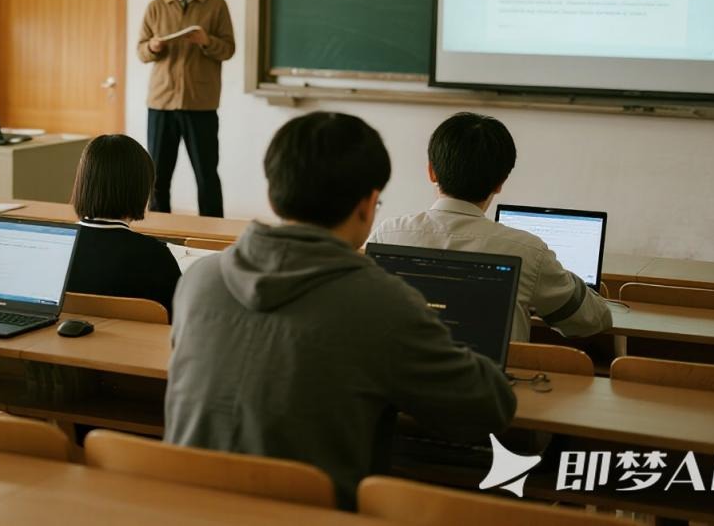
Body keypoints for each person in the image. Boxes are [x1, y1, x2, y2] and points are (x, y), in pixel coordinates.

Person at [165, 112, 515, 510]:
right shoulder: (382, 302)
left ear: (274, 194)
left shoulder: (200, 279)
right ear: (367, 205)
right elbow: (488, 409)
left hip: (183, 508)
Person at [371, 111, 611, 342]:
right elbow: (593, 319)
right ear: (500, 183)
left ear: (431, 172)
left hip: (400, 370)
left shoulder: (388, 234)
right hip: (486, 372)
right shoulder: (528, 251)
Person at [138, 0, 235, 218]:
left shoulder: (216, 5)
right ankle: (158, 233)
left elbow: (228, 49)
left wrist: (207, 41)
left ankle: (213, 233)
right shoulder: (156, 6)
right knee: (157, 176)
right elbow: (141, 51)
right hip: (162, 102)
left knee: (206, 174)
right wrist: (152, 47)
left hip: (200, 102)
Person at [65, 134, 182, 320]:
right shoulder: (155, 257)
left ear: (83, 184)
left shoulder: (54, 249)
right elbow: (180, 321)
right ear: (141, 189)